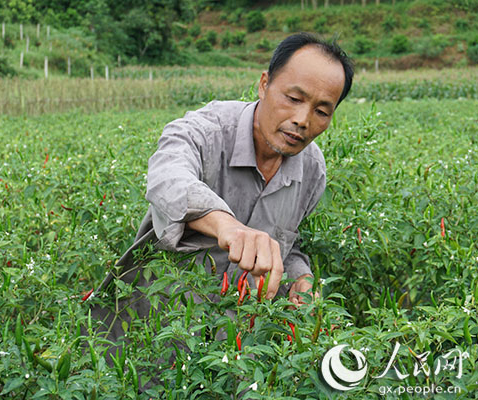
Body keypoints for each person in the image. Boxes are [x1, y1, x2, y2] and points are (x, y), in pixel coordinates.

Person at [91, 32, 354, 345]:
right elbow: (167, 177)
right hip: (154, 333)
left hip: (232, 345)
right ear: (265, 84)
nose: (302, 119)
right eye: (294, 99)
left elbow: (288, 242)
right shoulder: (205, 131)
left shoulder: (312, 169)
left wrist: (300, 277)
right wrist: (226, 226)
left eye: (322, 111)